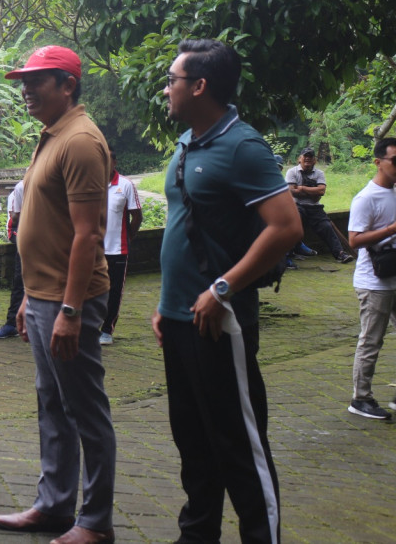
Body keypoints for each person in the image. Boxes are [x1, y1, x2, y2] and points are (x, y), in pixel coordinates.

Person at [152, 39, 301, 543]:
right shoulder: (188, 142)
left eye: (172, 80)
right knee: (193, 441)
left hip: (221, 321)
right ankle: (197, 536)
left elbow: (286, 227)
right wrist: (164, 306)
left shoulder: (243, 145)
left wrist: (223, 288)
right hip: (179, 319)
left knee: (239, 444)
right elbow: (183, 228)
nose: (166, 89)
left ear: (199, 86)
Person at [0, 45, 116, 543]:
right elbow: (49, 227)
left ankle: (96, 522)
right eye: (23, 80)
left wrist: (69, 307)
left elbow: (88, 235)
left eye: (37, 79)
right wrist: (28, 296)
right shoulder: (53, 135)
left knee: (85, 409)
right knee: (52, 404)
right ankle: (54, 506)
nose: (25, 89)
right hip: (44, 296)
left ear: (67, 85)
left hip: (72, 301)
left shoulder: (82, 141)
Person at [345, 137, 396, 420]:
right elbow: (354, 240)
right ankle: (361, 398)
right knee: (371, 341)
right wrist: (391, 228)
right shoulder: (366, 198)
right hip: (374, 282)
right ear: (378, 162)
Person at [99, 151, 143, 345]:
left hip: (118, 248)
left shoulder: (125, 185)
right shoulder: (90, 184)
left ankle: (107, 329)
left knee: (114, 291)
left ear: (114, 162)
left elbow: (137, 216)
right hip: (94, 250)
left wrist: (128, 237)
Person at [286, 146, 353, 263]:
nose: (308, 159)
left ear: (314, 160)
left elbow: (321, 191)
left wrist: (301, 188)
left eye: (310, 157)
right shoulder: (292, 172)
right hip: (296, 206)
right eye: (305, 156)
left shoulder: (319, 173)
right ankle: (288, 254)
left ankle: (340, 253)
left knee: (326, 226)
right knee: (295, 224)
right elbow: (291, 191)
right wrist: (313, 191)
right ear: (299, 159)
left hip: (315, 207)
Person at [0, 179, 24, 340]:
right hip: (25, 237)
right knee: (20, 281)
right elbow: (15, 219)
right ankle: (12, 323)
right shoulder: (21, 188)